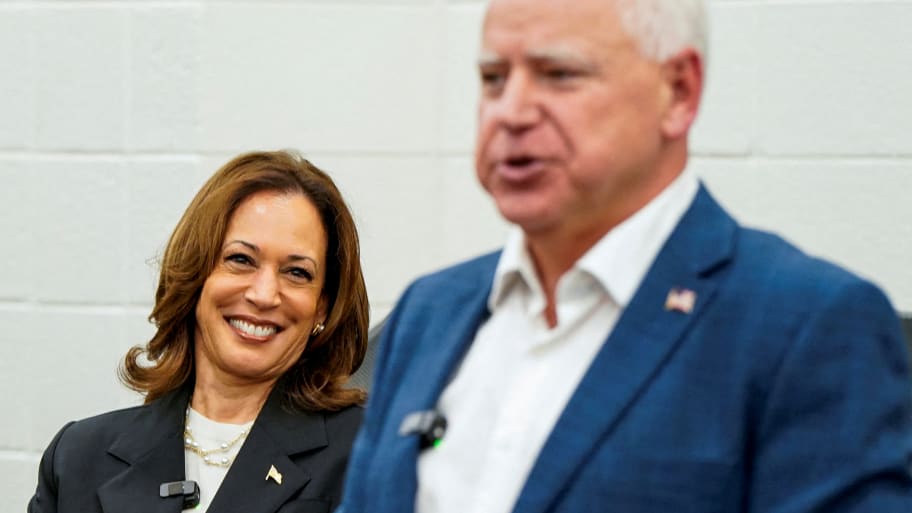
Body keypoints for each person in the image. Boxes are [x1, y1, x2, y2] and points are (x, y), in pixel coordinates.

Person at [339, 0, 912, 512]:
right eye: (493, 78)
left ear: (679, 92)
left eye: (559, 75)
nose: (510, 112)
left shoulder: (807, 326)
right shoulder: (428, 312)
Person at [29, 150, 369, 513]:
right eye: (240, 260)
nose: (264, 294)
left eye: (297, 272)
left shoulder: (370, 452)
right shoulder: (78, 457)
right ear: (195, 276)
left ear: (322, 307)